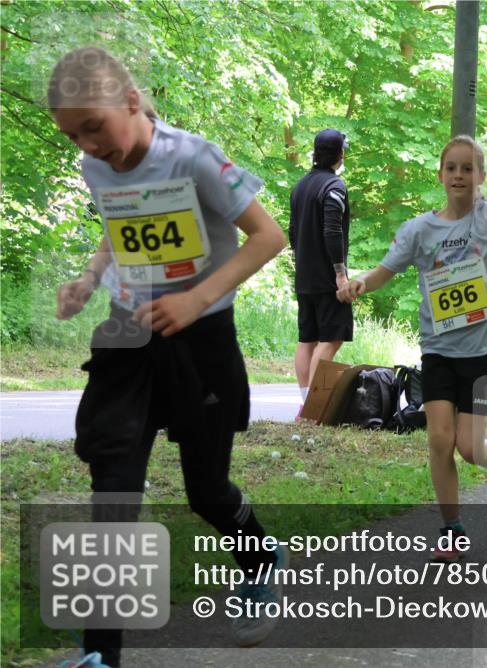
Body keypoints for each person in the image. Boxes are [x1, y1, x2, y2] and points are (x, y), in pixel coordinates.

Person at [48, 47, 288, 667]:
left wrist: (196, 299)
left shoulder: (193, 156)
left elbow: (269, 237)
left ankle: (260, 558)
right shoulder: (93, 167)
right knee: (113, 489)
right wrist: (89, 277)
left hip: (201, 341)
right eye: (74, 135)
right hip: (128, 336)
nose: (88, 145)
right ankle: (101, 655)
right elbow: (116, 224)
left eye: (93, 127)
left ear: (131, 101)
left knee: (206, 492)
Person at [337, 75, 487, 561]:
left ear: (479, 177)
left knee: (470, 448)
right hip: (439, 350)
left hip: (484, 353)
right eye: (451, 168)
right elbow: (385, 270)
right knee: (439, 441)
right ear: (440, 174)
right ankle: (452, 529)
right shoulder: (419, 230)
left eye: (468, 169)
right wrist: (360, 284)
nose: (459, 175)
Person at [289, 129, 353, 419]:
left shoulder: (300, 187)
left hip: (304, 276)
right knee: (331, 338)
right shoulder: (335, 187)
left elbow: (292, 233)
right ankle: (314, 409)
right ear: (339, 155)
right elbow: (332, 230)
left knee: (308, 339)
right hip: (327, 279)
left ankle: (306, 405)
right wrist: (340, 274)